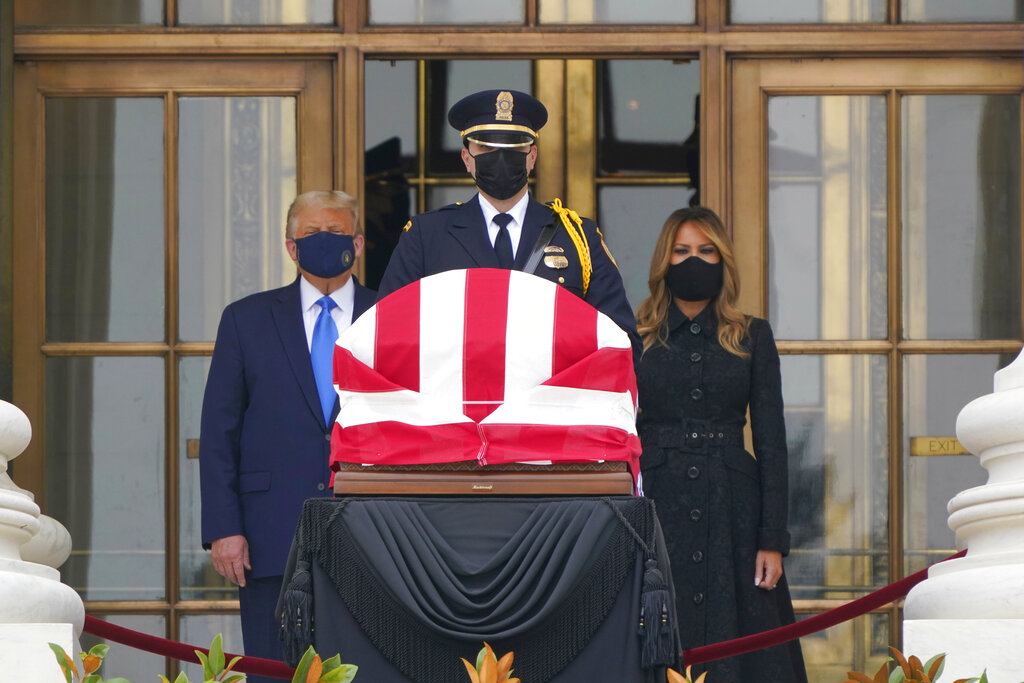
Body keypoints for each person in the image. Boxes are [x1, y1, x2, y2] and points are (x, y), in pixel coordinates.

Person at [199, 190, 376, 680]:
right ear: (291, 248)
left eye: (338, 233)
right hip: (268, 535)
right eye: (312, 234)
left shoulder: (392, 316)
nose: (327, 242)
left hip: (374, 536)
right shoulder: (246, 319)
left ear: (358, 244)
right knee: (273, 671)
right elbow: (219, 431)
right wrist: (223, 528)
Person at [635, 207, 807, 682]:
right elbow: (619, 433)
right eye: (683, 251)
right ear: (664, 262)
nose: (695, 260)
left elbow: (772, 441)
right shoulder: (636, 338)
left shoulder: (752, 336)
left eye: (707, 251)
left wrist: (772, 540)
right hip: (658, 503)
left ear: (723, 260)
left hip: (735, 511)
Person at [377, 88, 638, 351]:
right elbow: (387, 335)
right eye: (487, 147)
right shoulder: (426, 235)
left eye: (514, 146)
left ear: (532, 156)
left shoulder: (578, 238)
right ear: (467, 159)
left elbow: (620, 340)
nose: (501, 156)